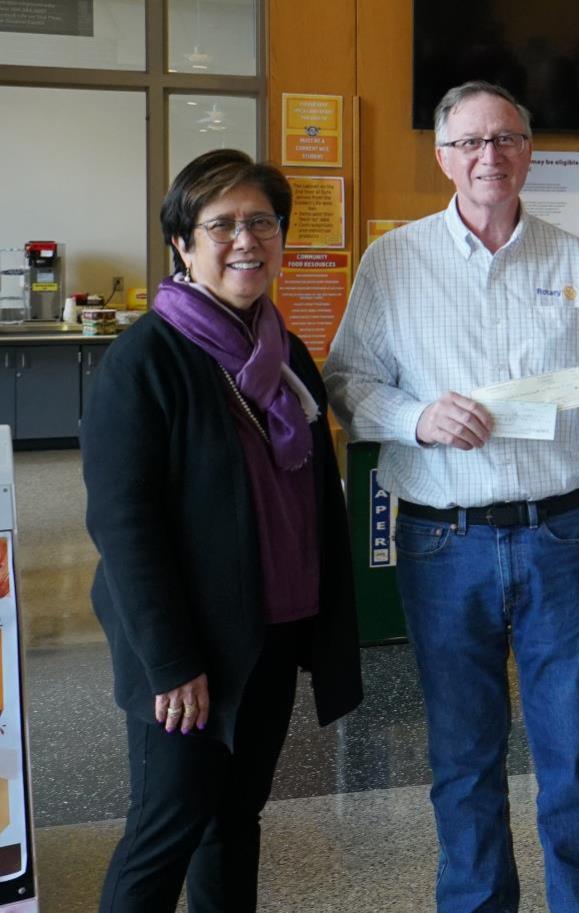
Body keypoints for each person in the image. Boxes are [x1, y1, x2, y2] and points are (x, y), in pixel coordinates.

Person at [325, 81, 579, 913]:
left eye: (503, 139)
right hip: (442, 542)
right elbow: (344, 380)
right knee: (463, 755)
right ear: (441, 157)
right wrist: (417, 416)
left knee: (572, 750)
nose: (487, 157)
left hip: (564, 535)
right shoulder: (392, 260)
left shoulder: (576, 262)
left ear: (528, 151)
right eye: (468, 142)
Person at [84, 149, 363, 912]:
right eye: (222, 224)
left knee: (235, 819)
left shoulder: (284, 348)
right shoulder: (147, 358)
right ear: (182, 242)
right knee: (165, 828)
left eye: (262, 222)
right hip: (187, 652)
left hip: (270, 633)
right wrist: (171, 661)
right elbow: (122, 523)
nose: (246, 240)